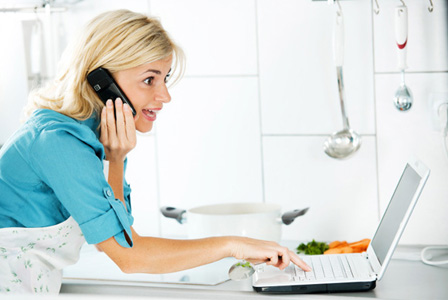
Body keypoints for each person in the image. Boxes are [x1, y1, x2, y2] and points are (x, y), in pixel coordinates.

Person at [0, 9, 310, 294]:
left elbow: (119, 237)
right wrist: (233, 244)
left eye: (165, 78)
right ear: (100, 81)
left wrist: (116, 158)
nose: (164, 96)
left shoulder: (81, 140)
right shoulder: (58, 143)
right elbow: (129, 256)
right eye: (150, 79)